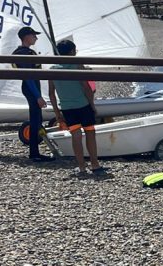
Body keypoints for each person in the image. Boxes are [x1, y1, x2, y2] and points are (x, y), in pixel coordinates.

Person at [48, 39, 108, 177]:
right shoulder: (77, 65)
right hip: (83, 105)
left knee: (76, 136)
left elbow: (51, 93)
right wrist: (92, 105)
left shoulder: (52, 69)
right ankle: (95, 164)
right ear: (71, 52)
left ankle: (81, 167)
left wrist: (57, 112)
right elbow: (85, 87)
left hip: (67, 108)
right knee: (90, 133)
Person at [12, 26, 53, 162]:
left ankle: (35, 152)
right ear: (26, 37)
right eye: (33, 35)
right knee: (35, 119)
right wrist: (38, 97)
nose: (36, 38)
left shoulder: (28, 52)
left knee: (37, 119)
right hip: (31, 88)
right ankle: (34, 153)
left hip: (33, 86)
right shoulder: (23, 53)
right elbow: (27, 77)